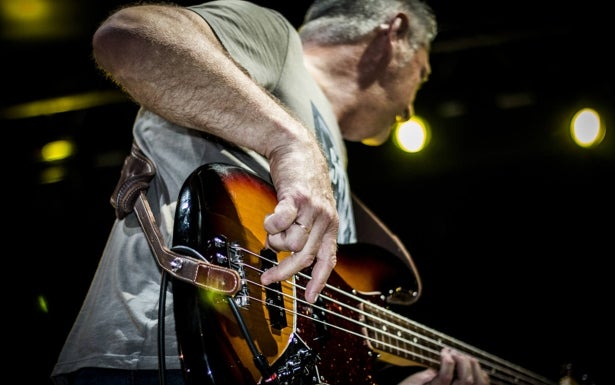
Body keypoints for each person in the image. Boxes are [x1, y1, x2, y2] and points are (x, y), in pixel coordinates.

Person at [51, 1, 491, 384]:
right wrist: (289, 142)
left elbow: (320, 334)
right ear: (394, 34)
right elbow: (126, 37)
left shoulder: (333, 149)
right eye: (423, 72)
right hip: (155, 358)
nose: (412, 106)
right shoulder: (280, 43)